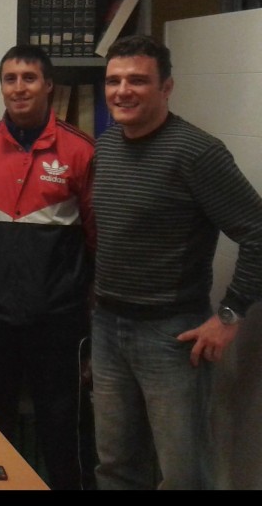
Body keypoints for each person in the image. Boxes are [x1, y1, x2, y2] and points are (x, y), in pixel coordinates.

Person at [92, 34, 262, 490]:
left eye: (137, 80)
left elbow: (257, 231)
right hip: (107, 327)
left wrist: (229, 315)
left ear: (166, 87)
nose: (122, 91)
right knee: (114, 466)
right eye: (113, 80)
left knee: (183, 475)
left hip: (171, 335)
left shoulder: (197, 152)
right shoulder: (105, 147)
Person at [0, 44, 96, 490]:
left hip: (58, 321)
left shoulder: (80, 150)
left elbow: (95, 235)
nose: (19, 88)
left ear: (48, 85)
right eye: (10, 79)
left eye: (29, 78)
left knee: (63, 429)